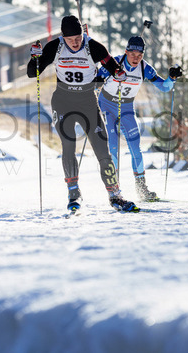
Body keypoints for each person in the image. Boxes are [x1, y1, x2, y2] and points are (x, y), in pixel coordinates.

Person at [27, 15, 138, 212]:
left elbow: (111, 65)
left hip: (87, 101)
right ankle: (73, 194)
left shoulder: (93, 46)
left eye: (78, 37)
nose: (75, 42)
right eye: (70, 39)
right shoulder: (55, 47)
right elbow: (32, 72)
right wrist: (35, 58)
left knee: (102, 148)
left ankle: (115, 195)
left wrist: (118, 73)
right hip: (63, 101)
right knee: (68, 145)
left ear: (83, 34)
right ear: (63, 37)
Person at [97, 36, 183, 201]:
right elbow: (95, 80)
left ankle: (142, 188)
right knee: (113, 147)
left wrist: (172, 78)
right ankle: (114, 189)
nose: (136, 58)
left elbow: (164, 87)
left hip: (127, 107)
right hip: (107, 105)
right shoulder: (114, 62)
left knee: (135, 147)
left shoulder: (145, 68)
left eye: (139, 55)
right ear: (126, 52)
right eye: (132, 54)